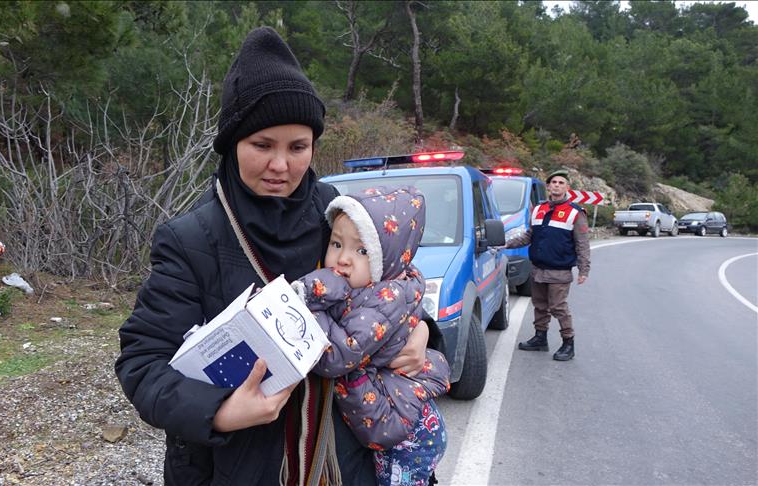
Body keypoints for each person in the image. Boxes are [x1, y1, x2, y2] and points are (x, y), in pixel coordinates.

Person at [114, 26, 430, 485]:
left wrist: (422, 333)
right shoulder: (190, 240)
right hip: (235, 469)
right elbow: (142, 363)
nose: (281, 166)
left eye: (298, 147)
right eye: (262, 145)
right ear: (232, 144)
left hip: (343, 464)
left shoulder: (339, 215)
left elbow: (392, 287)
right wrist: (220, 411)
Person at [293, 186, 449, 486]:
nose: (343, 259)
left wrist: (306, 307)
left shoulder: (385, 296)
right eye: (336, 244)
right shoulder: (369, 286)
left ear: (387, 260)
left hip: (403, 437)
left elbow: (337, 356)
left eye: (362, 251)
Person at [505, 169, 590, 361]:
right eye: (554, 182)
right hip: (538, 269)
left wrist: (584, 269)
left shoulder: (575, 213)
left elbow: (582, 243)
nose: (557, 185)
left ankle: (568, 343)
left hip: (559, 271)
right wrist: (507, 244)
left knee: (558, 307)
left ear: (567, 188)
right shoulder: (538, 209)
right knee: (540, 305)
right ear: (548, 186)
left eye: (561, 183)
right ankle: (540, 338)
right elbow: (529, 235)